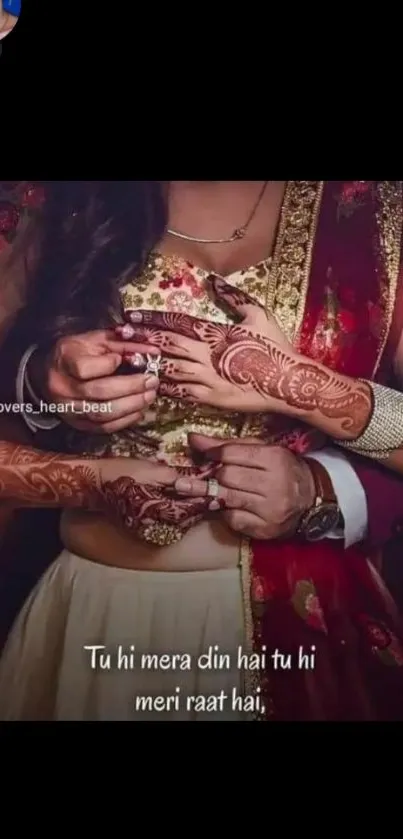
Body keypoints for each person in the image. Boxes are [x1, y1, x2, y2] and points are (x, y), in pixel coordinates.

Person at [1, 180, 403, 721]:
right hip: (96, 608)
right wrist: (41, 390)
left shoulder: (376, 209)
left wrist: (302, 391)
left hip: (307, 621)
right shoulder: (59, 196)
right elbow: (13, 389)